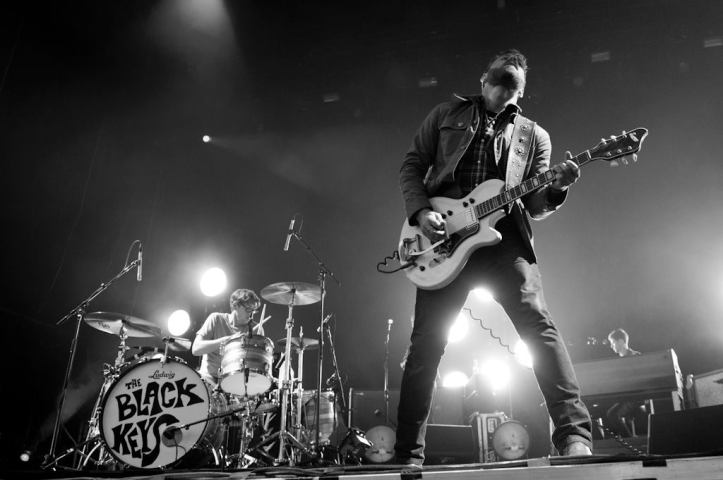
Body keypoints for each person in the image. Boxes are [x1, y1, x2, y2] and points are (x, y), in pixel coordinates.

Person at [395, 49, 630, 465]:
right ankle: (407, 454)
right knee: (425, 346)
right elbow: (412, 165)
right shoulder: (446, 114)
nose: (504, 89)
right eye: (499, 79)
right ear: (483, 79)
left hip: (504, 242)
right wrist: (422, 212)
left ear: (520, 92)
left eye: (513, 85)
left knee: (539, 327)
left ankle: (574, 435)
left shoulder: (533, 136)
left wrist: (559, 186)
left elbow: (535, 205)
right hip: (445, 239)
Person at [605, 328, 644, 436]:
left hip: (636, 396)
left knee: (612, 414)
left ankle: (629, 441)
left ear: (621, 342)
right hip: (627, 396)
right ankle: (630, 438)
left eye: (613, 342)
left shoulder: (635, 356)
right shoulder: (618, 362)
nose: (611, 346)